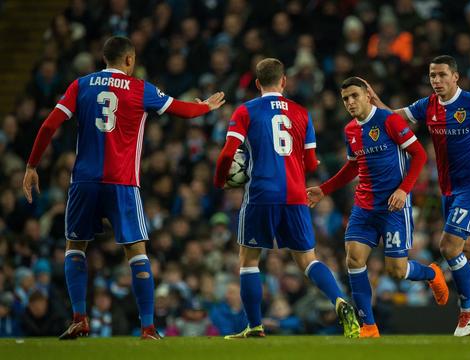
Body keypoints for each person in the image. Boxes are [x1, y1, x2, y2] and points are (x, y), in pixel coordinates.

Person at [22, 35, 226, 340]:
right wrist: (206, 107)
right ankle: (147, 327)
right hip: (122, 183)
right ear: (129, 60)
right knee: (136, 251)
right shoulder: (140, 88)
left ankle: (79, 317)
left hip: (85, 182)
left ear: (105, 58)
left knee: (75, 247)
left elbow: (49, 125)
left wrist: (31, 166)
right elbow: (183, 111)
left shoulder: (81, 85)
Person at [366, 55, 470, 336]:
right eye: (432, 76)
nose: (436, 81)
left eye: (442, 75)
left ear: (455, 77)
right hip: (448, 188)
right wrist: (376, 102)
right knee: (469, 248)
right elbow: (395, 119)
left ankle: (467, 310)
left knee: (448, 247)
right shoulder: (428, 106)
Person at [213, 58, 360, 339]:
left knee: (249, 260)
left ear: (257, 84)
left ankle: (255, 326)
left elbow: (227, 153)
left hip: (260, 194)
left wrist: (221, 181)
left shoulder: (246, 111)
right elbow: (312, 164)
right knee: (308, 260)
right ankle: (340, 300)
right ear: (284, 82)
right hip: (295, 194)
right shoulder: (301, 113)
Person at [306, 77, 449, 338]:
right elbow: (353, 166)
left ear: (367, 96)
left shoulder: (388, 120)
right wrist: (324, 189)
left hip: (394, 207)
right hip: (364, 206)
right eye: (345, 98)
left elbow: (419, 155)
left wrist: (404, 190)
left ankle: (431, 273)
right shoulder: (350, 130)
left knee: (396, 270)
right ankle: (368, 327)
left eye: (354, 96)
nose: (350, 102)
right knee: (354, 259)